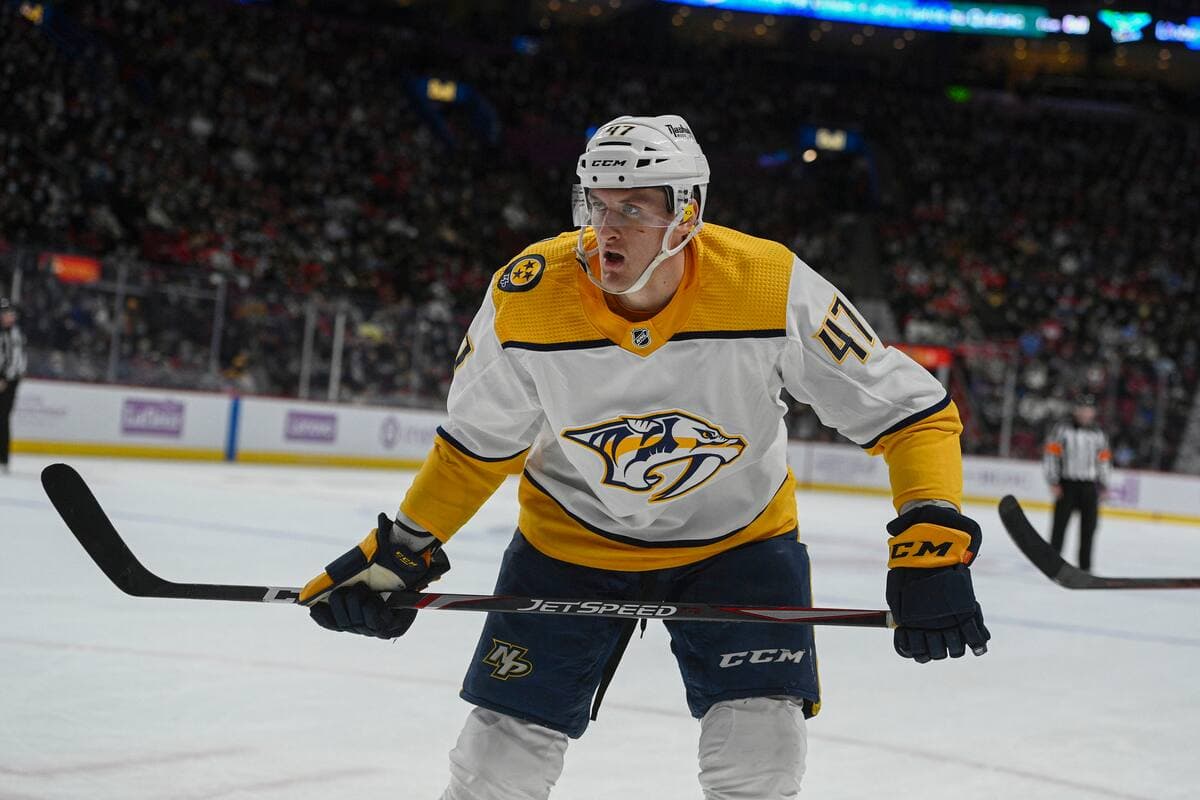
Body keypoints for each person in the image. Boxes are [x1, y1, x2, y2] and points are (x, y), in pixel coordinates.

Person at [299, 115, 990, 800]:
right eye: (596, 205)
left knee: (760, 761)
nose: (607, 229)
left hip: (738, 543)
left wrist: (930, 531)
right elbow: (475, 446)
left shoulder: (768, 284)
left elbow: (909, 412)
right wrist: (405, 548)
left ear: (687, 213)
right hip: (570, 540)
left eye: (633, 209)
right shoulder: (528, 295)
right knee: (496, 768)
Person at [1044, 396, 1111, 571]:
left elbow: (1104, 460)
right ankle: (1053, 564)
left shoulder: (1099, 434)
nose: (1085, 413)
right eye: (1082, 409)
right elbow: (1051, 455)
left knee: (1089, 528)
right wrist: (1053, 480)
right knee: (1060, 525)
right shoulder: (1062, 430)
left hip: (1089, 486)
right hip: (1067, 484)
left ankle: (1085, 567)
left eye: (1088, 410)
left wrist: (1104, 484)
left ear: (1093, 412)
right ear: (1075, 410)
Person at [0, 298, 27, 475]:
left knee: (2, 419)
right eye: (5, 314)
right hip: (5, 379)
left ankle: (3, 459)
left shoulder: (15, 335)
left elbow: (16, 361)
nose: (8, 317)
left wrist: (4, 378)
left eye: (10, 314)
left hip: (8, 382)